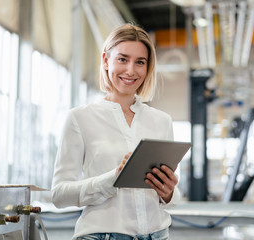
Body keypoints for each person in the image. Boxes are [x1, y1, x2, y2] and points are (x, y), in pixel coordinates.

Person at [51, 23, 181, 240]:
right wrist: (112, 179)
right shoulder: (80, 118)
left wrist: (168, 192)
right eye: (122, 59)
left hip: (158, 234)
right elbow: (58, 195)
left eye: (140, 62)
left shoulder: (162, 121)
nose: (131, 70)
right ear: (105, 60)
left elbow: (172, 195)